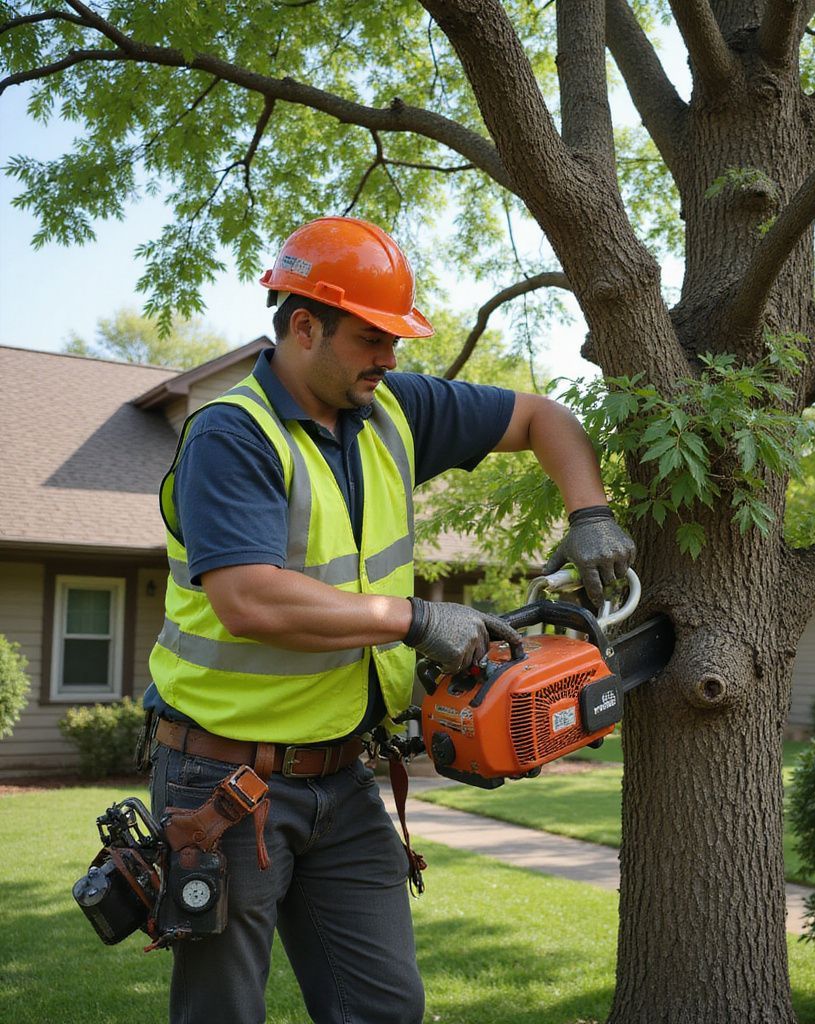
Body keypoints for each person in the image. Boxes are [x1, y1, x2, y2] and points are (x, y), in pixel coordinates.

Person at [142, 215, 635, 1024]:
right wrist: (412, 619)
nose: (391, 358)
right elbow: (247, 598)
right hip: (221, 783)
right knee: (222, 1013)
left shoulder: (393, 410)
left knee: (384, 1006)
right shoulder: (232, 433)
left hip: (344, 775)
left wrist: (591, 515)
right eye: (373, 338)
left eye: (396, 341)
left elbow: (544, 416)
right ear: (305, 326)